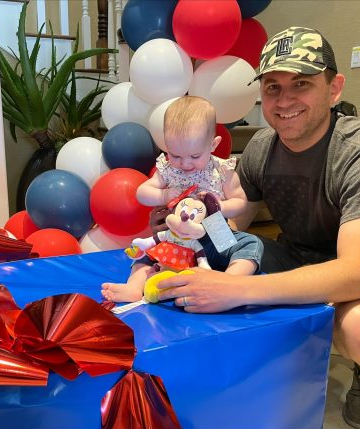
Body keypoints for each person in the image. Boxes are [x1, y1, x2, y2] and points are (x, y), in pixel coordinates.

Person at [155, 26, 360, 429]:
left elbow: (357, 273)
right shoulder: (262, 147)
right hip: (296, 254)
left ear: (335, 88)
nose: (285, 100)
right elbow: (232, 226)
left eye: (302, 84)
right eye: (273, 87)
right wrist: (188, 223)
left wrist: (236, 290)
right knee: (208, 269)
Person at [101, 96, 263, 303]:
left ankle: (229, 282)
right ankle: (134, 287)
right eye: (175, 155)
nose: (185, 163)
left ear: (213, 144)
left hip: (215, 235)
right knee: (146, 253)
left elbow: (240, 201)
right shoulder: (168, 170)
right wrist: (164, 194)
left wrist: (220, 206)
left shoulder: (222, 170)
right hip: (176, 239)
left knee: (251, 244)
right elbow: (142, 192)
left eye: (195, 156)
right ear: (166, 146)